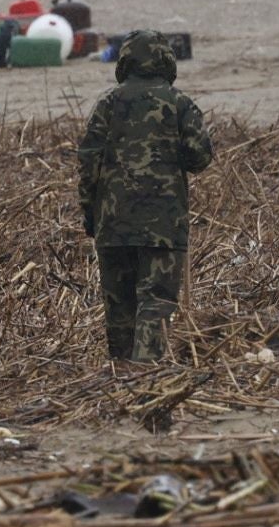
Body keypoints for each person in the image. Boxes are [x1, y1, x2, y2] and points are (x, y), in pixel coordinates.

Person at [78, 30, 214, 365]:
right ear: (166, 61)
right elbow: (200, 158)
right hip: (163, 225)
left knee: (120, 308)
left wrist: (90, 217)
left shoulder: (107, 104)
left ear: (124, 62)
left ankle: (122, 376)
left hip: (114, 225)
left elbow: (87, 165)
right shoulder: (179, 103)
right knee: (156, 302)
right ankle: (145, 376)